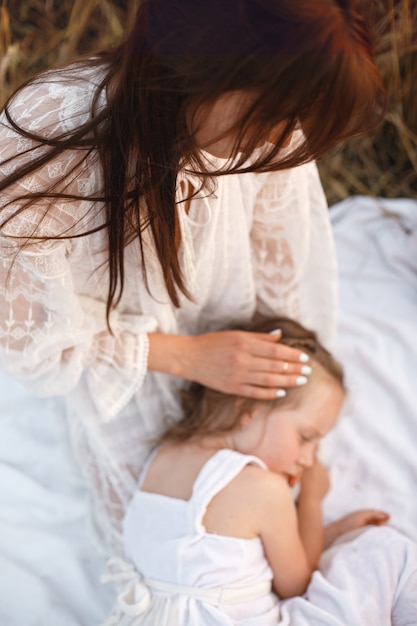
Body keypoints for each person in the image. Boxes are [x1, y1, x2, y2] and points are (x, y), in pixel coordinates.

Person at [0, 0, 385, 545]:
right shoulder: (50, 141)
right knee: (182, 540)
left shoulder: (268, 134)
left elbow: (283, 268)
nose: (281, 139)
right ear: (205, 66)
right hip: (125, 356)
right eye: (274, 115)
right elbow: (33, 341)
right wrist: (186, 358)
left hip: (226, 344)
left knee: (263, 503)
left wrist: (275, 379)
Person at [101, 318, 417, 626]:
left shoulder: (163, 457)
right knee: (385, 551)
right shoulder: (263, 490)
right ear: (248, 408)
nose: (309, 459)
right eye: (306, 438)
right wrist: (311, 499)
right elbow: (296, 584)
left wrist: (331, 534)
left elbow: (218, 558)